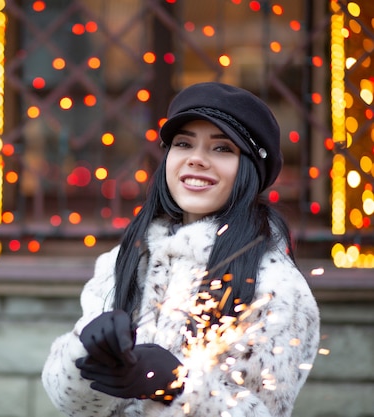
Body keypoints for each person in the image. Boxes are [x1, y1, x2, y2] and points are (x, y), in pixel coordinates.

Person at [41, 82, 320, 417]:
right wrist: (84, 350)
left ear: (250, 171)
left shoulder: (276, 287)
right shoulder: (128, 258)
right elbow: (70, 402)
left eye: (222, 149)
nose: (197, 160)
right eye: (183, 143)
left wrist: (179, 385)